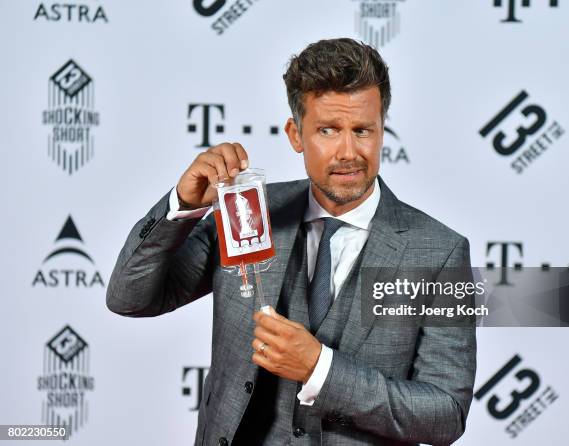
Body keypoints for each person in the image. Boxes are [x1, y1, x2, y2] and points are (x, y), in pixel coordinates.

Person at [107, 38, 476, 446]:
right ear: (295, 134)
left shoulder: (441, 252)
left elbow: (446, 413)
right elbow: (130, 297)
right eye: (328, 130)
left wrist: (321, 369)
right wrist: (184, 205)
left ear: (382, 130)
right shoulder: (248, 212)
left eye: (363, 131)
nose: (348, 152)